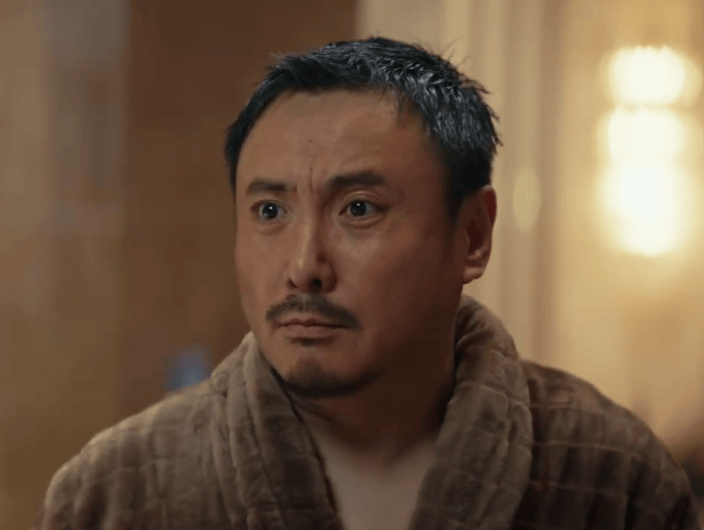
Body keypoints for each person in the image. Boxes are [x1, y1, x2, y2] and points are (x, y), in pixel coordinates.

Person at [34, 36, 701, 530]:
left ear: (472, 235)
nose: (304, 265)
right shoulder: (114, 493)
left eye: (358, 208)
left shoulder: (612, 478)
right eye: (269, 212)